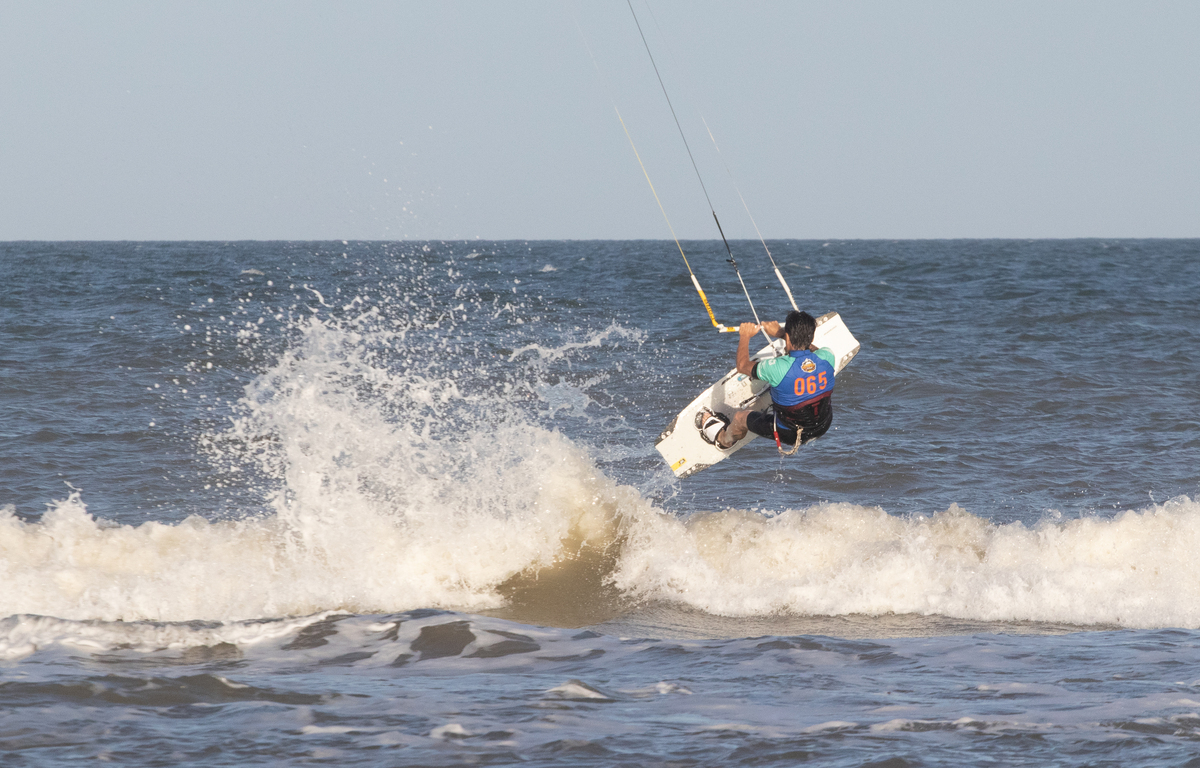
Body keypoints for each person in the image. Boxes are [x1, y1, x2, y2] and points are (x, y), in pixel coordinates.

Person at [696, 310, 836, 453]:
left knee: (740, 418)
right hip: (823, 425)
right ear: (811, 338)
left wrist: (745, 336)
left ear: (787, 337)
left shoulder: (777, 368)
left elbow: (742, 366)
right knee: (789, 388)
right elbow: (813, 351)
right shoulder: (827, 357)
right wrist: (784, 335)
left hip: (792, 434)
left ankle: (723, 440)